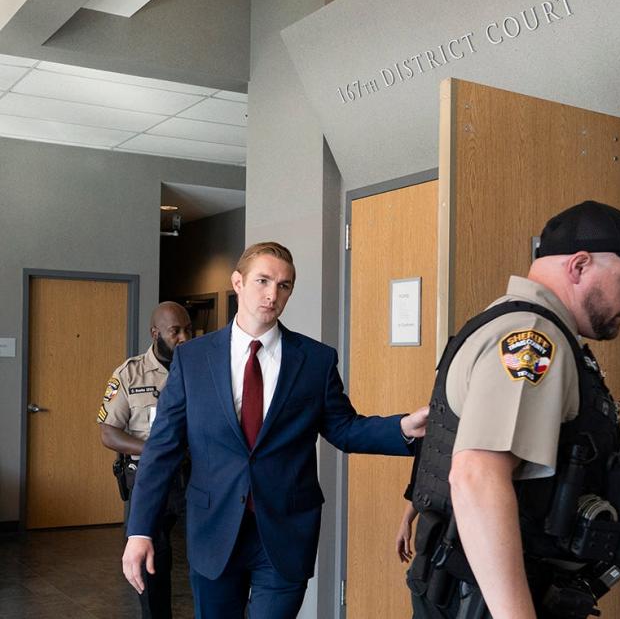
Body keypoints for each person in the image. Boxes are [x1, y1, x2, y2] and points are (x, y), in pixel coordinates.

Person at [407, 200, 620, 618]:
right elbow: (477, 478)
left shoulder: (504, 321)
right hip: (488, 601)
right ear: (579, 266)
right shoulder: (532, 337)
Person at [121, 242, 429, 619]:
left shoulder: (315, 360)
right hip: (214, 529)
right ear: (238, 282)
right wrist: (140, 530)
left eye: (284, 286)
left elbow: (344, 428)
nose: (272, 294)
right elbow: (162, 448)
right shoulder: (193, 358)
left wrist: (404, 428)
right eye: (262, 281)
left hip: (284, 531)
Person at [97, 301, 193, 619]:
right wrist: (155, 452)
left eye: (187, 330)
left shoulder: (202, 368)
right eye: (175, 331)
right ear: (155, 333)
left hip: (196, 476)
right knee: (152, 559)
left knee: (212, 554)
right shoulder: (129, 373)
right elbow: (109, 433)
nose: (184, 337)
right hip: (149, 476)